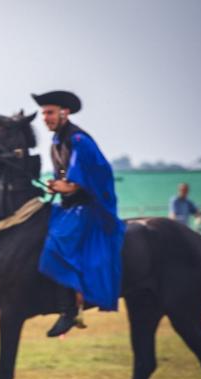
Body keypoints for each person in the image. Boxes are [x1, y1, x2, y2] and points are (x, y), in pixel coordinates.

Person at [32, 90, 126, 337]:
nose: (45, 118)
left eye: (50, 112)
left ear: (65, 112)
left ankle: (68, 311)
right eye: (43, 114)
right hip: (69, 206)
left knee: (58, 241)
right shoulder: (56, 142)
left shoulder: (79, 141)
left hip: (91, 208)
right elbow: (63, 180)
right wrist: (56, 185)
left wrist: (63, 186)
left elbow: (81, 181)